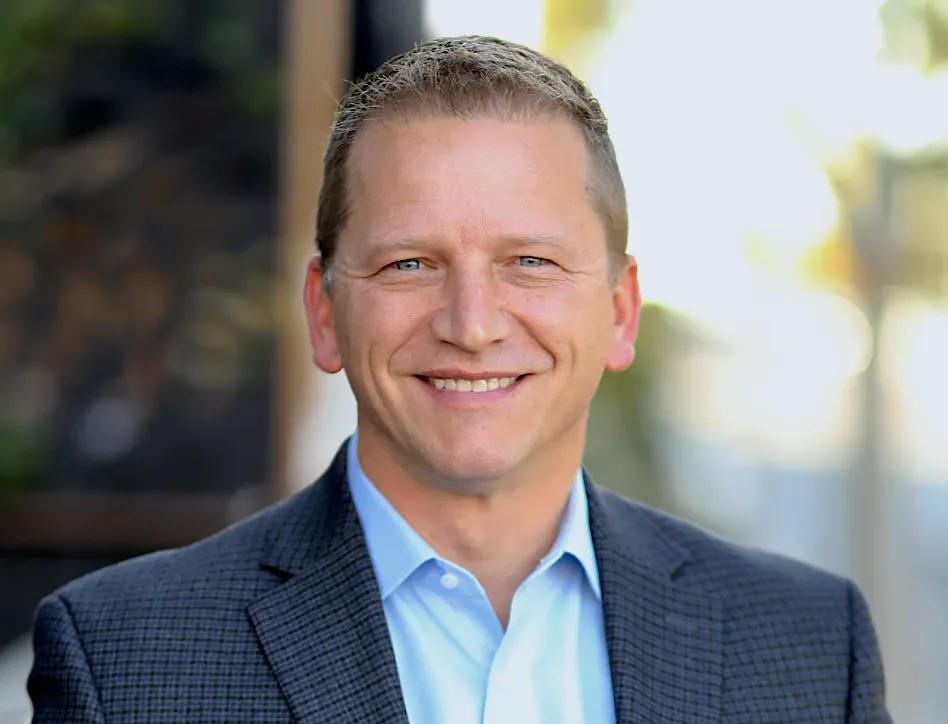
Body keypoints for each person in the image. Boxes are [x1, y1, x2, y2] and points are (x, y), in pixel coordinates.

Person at [29, 36, 891, 723]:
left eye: (530, 261)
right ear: (325, 313)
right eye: (409, 263)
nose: (473, 323)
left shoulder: (810, 647)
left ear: (620, 312)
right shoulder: (126, 658)